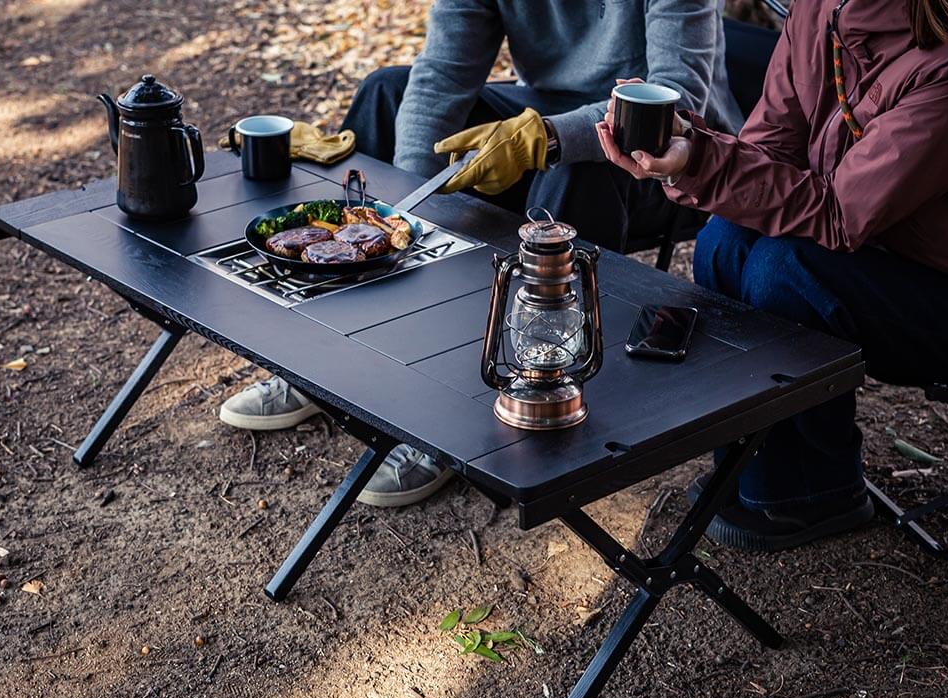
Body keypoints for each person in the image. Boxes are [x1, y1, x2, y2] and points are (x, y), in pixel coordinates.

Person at [220, 0, 743, 508]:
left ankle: (467, 414)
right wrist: (403, 216)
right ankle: (328, 357)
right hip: (541, 118)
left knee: (572, 172)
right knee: (386, 93)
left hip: (669, 162)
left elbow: (677, 98)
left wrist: (550, 138)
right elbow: (442, 74)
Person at [596, 0, 948, 551]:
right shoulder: (821, 10)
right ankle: (749, 463)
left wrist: (699, 163)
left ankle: (816, 489)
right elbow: (770, 150)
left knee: (786, 272)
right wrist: (691, 147)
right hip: (901, 255)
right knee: (725, 240)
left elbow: (839, 216)